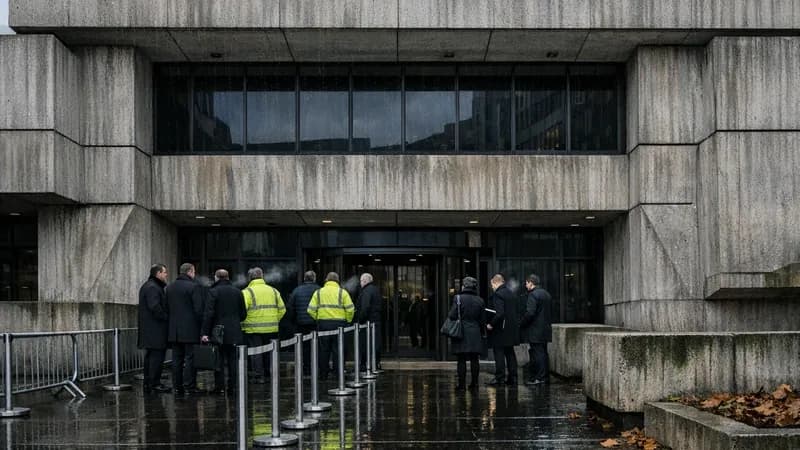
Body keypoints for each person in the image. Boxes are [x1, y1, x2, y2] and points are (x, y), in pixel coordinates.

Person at [201, 269, 246, 394]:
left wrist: (205, 332)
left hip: (218, 331)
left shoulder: (213, 291)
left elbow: (208, 314)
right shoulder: (238, 292)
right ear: (227, 277)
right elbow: (243, 313)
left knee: (218, 360)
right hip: (234, 330)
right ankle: (233, 386)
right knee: (233, 360)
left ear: (216, 277)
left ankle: (219, 387)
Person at [241, 267, 286, 384]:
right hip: (271, 328)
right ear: (262, 276)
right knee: (268, 352)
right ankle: (267, 374)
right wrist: (275, 320)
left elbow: (242, 310)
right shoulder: (274, 291)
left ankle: (258, 376)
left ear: (249, 278)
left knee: (256, 353)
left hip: (253, 328)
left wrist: (243, 323)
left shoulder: (247, 292)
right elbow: (282, 309)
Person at [307, 272, 355, 380]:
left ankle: (323, 375)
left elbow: (310, 310)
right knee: (338, 350)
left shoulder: (318, 292)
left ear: (326, 280)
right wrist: (348, 321)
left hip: (323, 324)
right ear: (337, 281)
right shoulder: (343, 293)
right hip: (339, 324)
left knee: (324, 350)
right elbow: (350, 309)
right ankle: (338, 375)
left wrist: (318, 318)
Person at [166, 263, 204, 395]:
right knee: (190, 358)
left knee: (176, 359)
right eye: (194, 272)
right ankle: (189, 385)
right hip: (190, 329)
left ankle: (177, 386)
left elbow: (167, 308)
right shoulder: (194, 287)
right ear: (190, 272)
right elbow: (198, 310)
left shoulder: (169, 287)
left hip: (174, 330)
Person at [448, 276, 487, 392]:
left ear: (464, 286)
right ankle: (474, 384)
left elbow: (452, 315)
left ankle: (461, 385)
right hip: (475, 332)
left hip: (462, 332)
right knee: (475, 359)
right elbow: (483, 320)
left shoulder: (458, 298)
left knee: (461, 359)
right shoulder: (480, 300)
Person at [137, 264, 171, 394]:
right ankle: (154, 383)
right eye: (164, 272)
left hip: (151, 330)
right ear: (158, 274)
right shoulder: (153, 287)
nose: (166, 275)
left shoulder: (150, 286)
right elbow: (154, 307)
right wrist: (166, 317)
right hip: (155, 330)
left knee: (151, 357)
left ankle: (150, 383)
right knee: (156, 358)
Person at [486, 273, 520, 386]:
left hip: (501, 329)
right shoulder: (511, 294)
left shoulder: (498, 295)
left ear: (495, 282)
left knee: (499, 353)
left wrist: (491, 324)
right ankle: (513, 377)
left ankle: (499, 377)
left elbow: (499, 313)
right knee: (510, 353)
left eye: (492, 285)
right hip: (511, 329)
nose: (492, 288)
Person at [520, 274, 552, 386]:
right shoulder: (546, 294)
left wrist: (522, 323)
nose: (525, 285)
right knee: (543, 353)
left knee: (538, 354)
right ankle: (544, 377)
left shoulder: (533, 295)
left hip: (535, 330)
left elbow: (530, 313)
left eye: (526, 283)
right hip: (545, 329)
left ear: (531, 283)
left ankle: (540, 378)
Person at [286, 270, 320, 375]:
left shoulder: (297, 290)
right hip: (315, 323)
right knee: (316, 346)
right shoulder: (319, 290)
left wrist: (292, 321)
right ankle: (316, 367)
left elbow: (290, 307)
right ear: (314, 278)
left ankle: (306, 368)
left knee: (304, 348)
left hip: (301, 323)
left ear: (304, 279)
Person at [356, 273, 382, 369]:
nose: (360, 283)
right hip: (375, 321)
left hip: (367, 322)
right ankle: (376, 363)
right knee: (375, 343)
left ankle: (364, 365)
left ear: (365, 281)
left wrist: (360, 320)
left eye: (361, 281)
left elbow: (365, 307)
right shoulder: (375, 290)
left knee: (365, 344)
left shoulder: (366, 291)